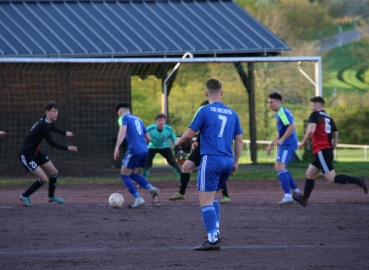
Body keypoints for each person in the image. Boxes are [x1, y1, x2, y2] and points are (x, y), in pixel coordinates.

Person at [175, 79, 243, 251]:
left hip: (211, 159)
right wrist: (235, 162)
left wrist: (178, 141)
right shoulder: (232, 113)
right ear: (222, 92)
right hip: (227, 160)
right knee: (211, 198)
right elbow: (239, 140)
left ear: (206, 93)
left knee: (204, 201)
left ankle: (212, 239)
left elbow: (188, 135)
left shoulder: (204, 110)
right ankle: (216, 232)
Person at [293, 96, 367, 207]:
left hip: (322, 150)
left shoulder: (314, 115)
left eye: (312, 105)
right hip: (325, 150)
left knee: (331, 178)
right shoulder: (329, 118)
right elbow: (335, 135)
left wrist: (302, 142)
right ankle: (304, 198)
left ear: (318, 106)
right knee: (309, 174)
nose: (310, 108)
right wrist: (333, 147)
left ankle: (357, 180)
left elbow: (311, 130)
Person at [169, 100, 232, 203]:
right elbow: (202, 129)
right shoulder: (206, 115)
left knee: (216, 171)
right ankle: (181, 193)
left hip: (212, 149)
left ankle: (226, 196)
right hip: (201, 148)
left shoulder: (214, 118)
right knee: (186, 167)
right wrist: (197, 141)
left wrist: (179, 141)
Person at [19, 101, 77, 207]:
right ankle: (25, 195)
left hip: (36, 152)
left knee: (54, 172)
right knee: (44, 179)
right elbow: (51, 143)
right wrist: (68, 147)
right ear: (47, 112)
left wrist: (65, 133)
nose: (56, 114)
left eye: (57, 112)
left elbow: (52, 127)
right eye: (53, 111)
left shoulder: (46, 121)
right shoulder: (43, 125)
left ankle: (51, 196)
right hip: (26, 154)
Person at [114, 102, 160, 208]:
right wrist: (142, 147)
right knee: (133, 173)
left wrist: (117, 147)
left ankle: (138, 198)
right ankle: (152, 190)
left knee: (124, 175)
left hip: (134, 149)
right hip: (144, 149)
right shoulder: (138, 120)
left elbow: (122, 131)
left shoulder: (123, 118)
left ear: (120, 111)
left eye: (118, 114)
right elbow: (148, 138)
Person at [266, 92, 302, 204]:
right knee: (279, 167)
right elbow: (282, 131)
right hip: (286, 143)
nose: (269, 105)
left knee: (279, 166)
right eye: (269, 102)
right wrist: (271, 144)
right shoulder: (279, 113)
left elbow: (292, 126)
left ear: (278, 102)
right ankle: (296, 191)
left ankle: (288, 195)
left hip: (288, 144)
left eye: (271, 102)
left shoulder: (282, 112)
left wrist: (281, 140)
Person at [141, 113, 184, 184]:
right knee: (147, 163)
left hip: (164, 147)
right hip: (152, 147)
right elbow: (143, 137)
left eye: (162, 120)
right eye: (159, 120)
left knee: (173, 161)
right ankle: (143, 181)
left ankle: (183, 180)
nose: (160, 122)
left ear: (165, 121)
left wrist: (180, 148)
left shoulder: (168, 129)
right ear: (156, 121)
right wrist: (143, 146)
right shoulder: (150, 129)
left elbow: (174, 139)